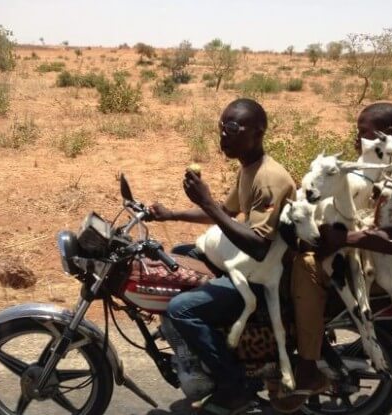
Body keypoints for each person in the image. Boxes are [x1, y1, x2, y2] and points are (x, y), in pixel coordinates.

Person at [272, 102, 392, 412]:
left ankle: (308, 366)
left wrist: (348, 238)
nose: (357, 140)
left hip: (391, 269)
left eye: (363, 132)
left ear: (389, 135)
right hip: (364, 257)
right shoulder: (375, 169)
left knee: (306, 271)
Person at [147, 98, 296, 415]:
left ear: (257, 132)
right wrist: (170, 214)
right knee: (178, 254)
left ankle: (233, 387)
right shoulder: (249, 169)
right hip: (245, 263)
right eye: (221, 128)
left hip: (262, 276)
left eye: (232, 128)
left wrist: (208, 202)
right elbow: (226, 214)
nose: (223, 135)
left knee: (181, 309)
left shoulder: (270, 178)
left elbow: (258, 245)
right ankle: (205, 350)